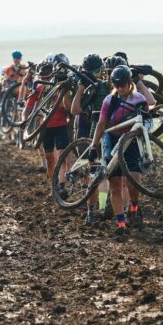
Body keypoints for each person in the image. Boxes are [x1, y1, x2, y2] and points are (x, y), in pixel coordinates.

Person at [89, 65, 156, 235]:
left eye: (122, 85)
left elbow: (147, 120)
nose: (119, 89)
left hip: (131, 141)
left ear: (129, 83)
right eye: (116, 85)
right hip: (111, 139)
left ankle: (134, 206)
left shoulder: (139, 99)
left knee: (135, 180)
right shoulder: (109, 101)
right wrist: (93, 145)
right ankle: (121, 224)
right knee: (116, 185)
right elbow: (101, 124)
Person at [71, 54, 112, 225]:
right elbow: (74, 109)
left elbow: (74, 110)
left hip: (94, 131)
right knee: (99, 175)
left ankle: (94, 211)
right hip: (96, 133)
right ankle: (97, 209)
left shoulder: (98, 86)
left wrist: (81, 87)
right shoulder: (102, 87)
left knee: (97, 175)